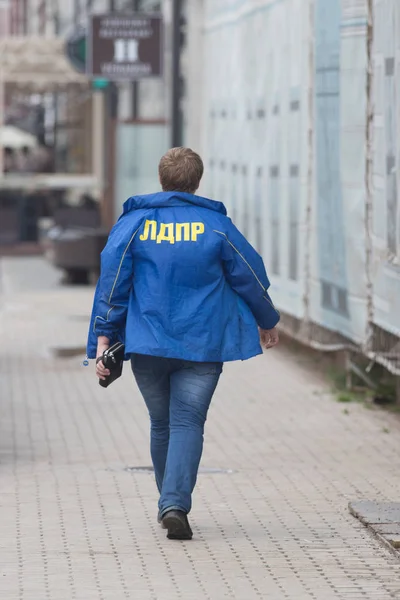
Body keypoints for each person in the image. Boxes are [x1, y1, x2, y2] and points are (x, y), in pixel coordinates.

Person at [87, 147, 280, 540]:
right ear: (197, 181)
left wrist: (103, 337)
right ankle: (174, 503)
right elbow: (250, 273)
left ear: (162, 179)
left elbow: (114, 280)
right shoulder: (216, 226)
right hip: (202, 344)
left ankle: (170, 501)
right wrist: (267, 319)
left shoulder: (136, 224)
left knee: (162, 423)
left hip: (148, 344)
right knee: (188, 421)